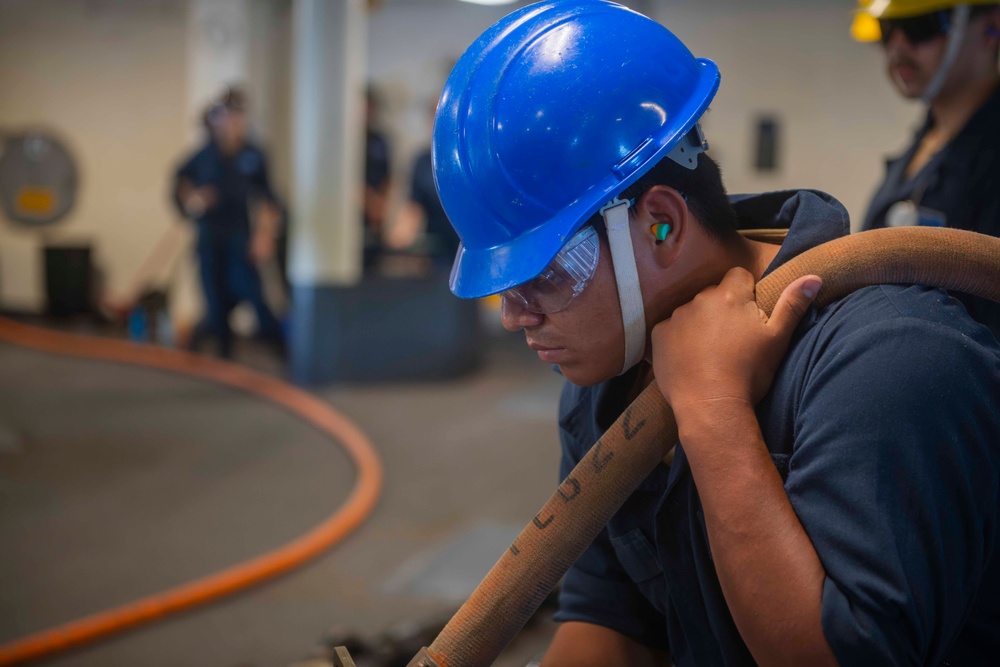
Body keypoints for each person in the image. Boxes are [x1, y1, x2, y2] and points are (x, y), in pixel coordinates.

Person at [433, 2, 1000, 665]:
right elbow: (611, 619)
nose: (513, 315)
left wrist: (712, 411)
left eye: (546, 274)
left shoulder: (895, 361)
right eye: (505, 285)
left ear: (662, 225)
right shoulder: (607, 380)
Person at [853, 0, 1000, 336]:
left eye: (922, 25)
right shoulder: (923, 144)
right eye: (887, 30)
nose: (898, 46)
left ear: (992, 26)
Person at [172, 86, 285, 358]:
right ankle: (220, 357)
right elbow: (180, 186)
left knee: (253, 296)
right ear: (214, 120)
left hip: (240, 237)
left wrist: (265, 236)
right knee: (215, 304)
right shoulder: (202, 156)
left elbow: (270, 200)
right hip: (209, 237)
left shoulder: (254, 155)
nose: (232, 122)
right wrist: (195, 199)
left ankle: (286, 355)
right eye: (225, 116)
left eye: (237, 116)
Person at [363, 87, 392, 274]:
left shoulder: (379, 140)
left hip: (376, 217)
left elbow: (387, 178)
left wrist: (379, 206)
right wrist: (367, 201)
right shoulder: (347, 139)